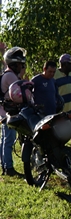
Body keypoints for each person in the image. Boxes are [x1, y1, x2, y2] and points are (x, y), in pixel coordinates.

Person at [0, 47, 27, 176]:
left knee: (5, 139)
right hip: (9, 112)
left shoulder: (8, 74)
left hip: (4, 111)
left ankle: (4, 166)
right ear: (13, 64)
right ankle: (9, 168)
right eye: (20, 65)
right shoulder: (11, 76)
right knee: (9, 140)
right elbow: (21, 93)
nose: (21, 67)